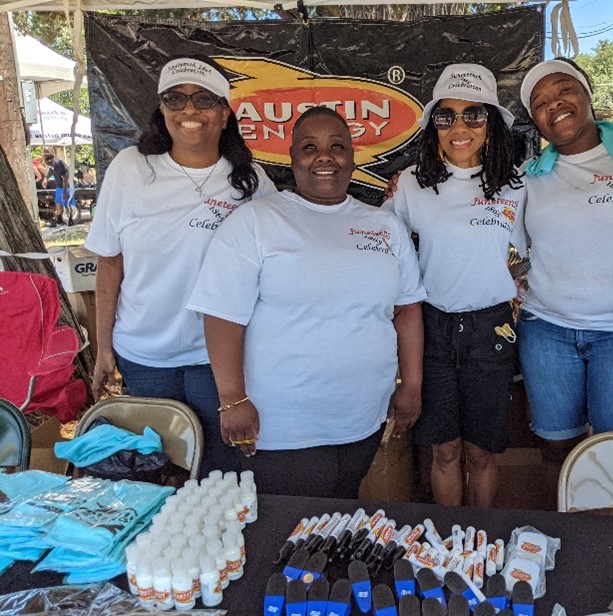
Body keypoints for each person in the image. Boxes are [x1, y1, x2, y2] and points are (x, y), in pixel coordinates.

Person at [187, 106, 426, 497]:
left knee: (340, 516)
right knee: (290, 534)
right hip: (283, 426)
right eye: (309, 147)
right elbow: (222, 315)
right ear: (292, 158)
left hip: (361, 418)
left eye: (336, 146)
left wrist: (411, 384)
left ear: (352, 156)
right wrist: (232, 399)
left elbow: (407, 309)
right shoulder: (256, 222)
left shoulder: (384, 226)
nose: (324, 156)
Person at [85, 56, 275, 476]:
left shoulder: (253, 183)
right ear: (162, 111)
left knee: (222, 475)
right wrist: (104, 349)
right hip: (144, 356)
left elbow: (272, 275)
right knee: (157, 472)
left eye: (204, 99)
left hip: (221, 362)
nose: (189, 110)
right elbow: (109, 264)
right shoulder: (131, 169)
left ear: (225, 113)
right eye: (176, 98)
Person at [516, 58, 613, 510]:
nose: (554, 105)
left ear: (586, 94)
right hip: (548, 332)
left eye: (563, 91)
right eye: (539, 103)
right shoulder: (529, 178)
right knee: (557, 448)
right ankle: (572, 531)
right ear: (534, 121)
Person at [383, 64, 526, 508]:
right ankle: (451, 543)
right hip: (433, 327)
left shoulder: (519, 186)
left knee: (481, 452)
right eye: (446, 116)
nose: (459, 127)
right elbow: (383, 251)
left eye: (473, 115)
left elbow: (532, 255)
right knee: (443, 449)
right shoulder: (410, 184)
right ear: (433, 127)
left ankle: (480, 543)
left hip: (492, 329)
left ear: (493, 124)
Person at [43, 148, 70, 227]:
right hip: (58, 185)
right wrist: (46, 178)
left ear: (52, 153)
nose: (46, 154)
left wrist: (64, 192)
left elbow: (65, 178)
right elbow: (51, 171)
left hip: (65, 185)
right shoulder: (49, 161)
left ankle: (70, 220)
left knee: (66, 203)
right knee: (58, 203)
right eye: (45, 152)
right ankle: (59, 221)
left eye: (47, 152)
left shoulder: (57, 163)